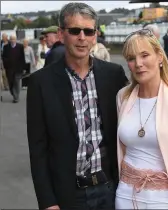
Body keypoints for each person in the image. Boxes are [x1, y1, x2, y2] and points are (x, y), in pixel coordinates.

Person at [26, 2, 128, 210]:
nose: (82, 37)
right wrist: (47, 201)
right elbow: (38, 149)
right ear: (62, 34)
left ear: (95, 36)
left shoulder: (114, 75)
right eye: (75, 31)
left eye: (88, 31)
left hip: (110, 190)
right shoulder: (41, 82)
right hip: (67, 194)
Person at [115, 29, 168, 210]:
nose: (138, 63)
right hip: (125, 196)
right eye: (131, 58)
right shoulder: (123, 96)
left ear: (159, 57)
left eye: (144, 55)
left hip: (166, 199)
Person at [2, 35, 25, 103]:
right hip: (9, 69)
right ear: (9, 40)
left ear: (16, 40)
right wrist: (6, 63)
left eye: (14, 39)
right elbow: (3, 57)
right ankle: (13, 92)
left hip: (18, 68)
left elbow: (22, 58)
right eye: (11, 39)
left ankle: (16, 97)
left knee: (17, 82)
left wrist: (23, 67)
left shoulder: (20, 46)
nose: (12, 41)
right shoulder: (6, 47)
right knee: (11, 82)